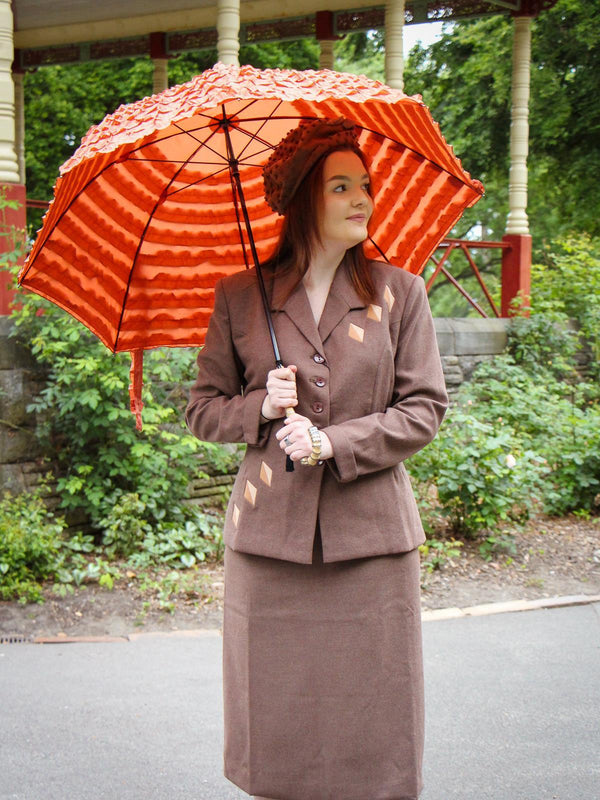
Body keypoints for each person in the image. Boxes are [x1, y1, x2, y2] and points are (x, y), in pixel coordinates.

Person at [186, 117, 449, 800]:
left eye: (365, 184)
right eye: (341, 186)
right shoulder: (240, 297)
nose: (363, 198)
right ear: (304, 198)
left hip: (372, 543)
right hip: (269, 542)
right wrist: (261, 410)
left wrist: (335, 442)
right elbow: (201, 409)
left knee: (374, 719)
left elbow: (424, 409)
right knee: (279, 724)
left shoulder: (401, 294)